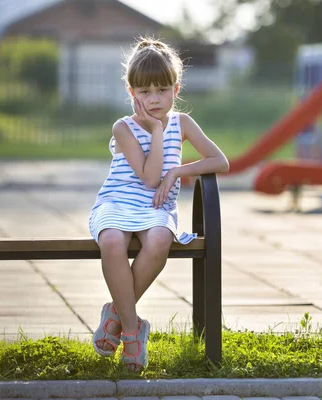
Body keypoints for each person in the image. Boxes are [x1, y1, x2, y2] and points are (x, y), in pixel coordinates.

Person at [88, 37, 229, 373]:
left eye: (162, 90)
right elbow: (150, 178)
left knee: (160, 240)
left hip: (155, 209)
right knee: (111, 241)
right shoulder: (124, 127)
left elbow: (219, 161)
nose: (154, 99)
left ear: (175, 88)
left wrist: (180, 169)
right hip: (118, 202)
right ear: (132, 91)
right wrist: (154, 131)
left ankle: (117, 316)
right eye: (145, 91)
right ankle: (134, 331)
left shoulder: (182, 123)